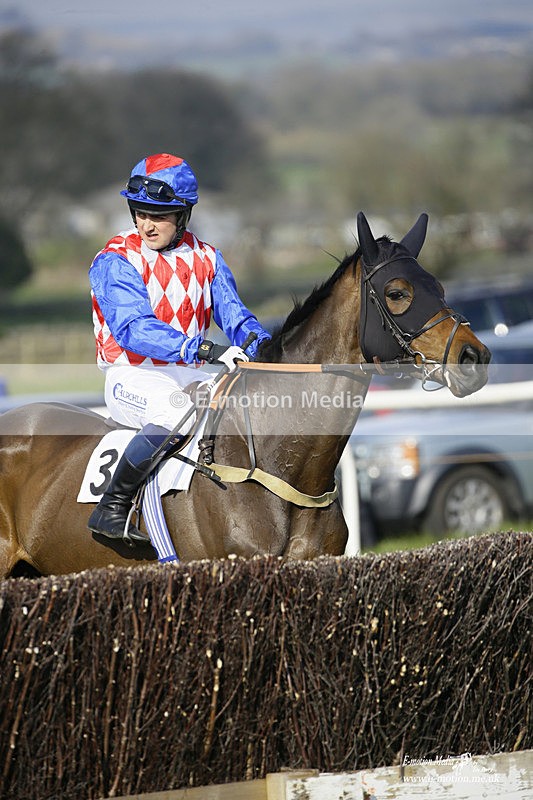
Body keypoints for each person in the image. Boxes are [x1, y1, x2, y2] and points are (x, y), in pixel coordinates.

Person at [88, 153, 271, 545]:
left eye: (159, 215)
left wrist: (267, 348)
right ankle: (112, 507)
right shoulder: (114, 260)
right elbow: (134, 329)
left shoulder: (208, 258)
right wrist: (203, 349)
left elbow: (236, 318)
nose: (146, 224)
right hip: (131, 375)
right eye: (140, 213)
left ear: (183, 215)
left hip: (189, 374)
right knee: (173, 414)